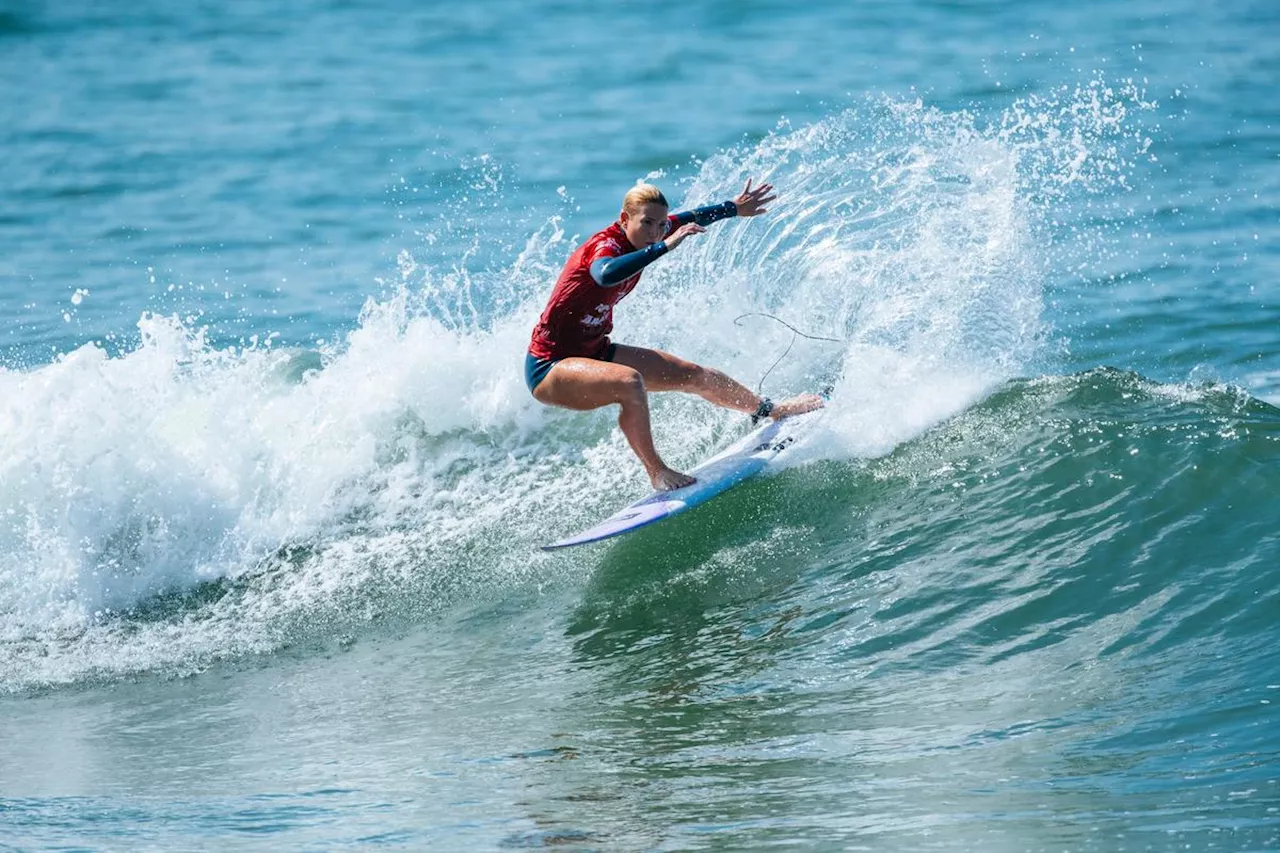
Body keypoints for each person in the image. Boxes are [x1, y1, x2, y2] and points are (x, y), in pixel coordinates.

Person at [526, 179, 825, 491]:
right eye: (647, 224)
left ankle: (772, 411)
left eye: (660, 226)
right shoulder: (606, 246)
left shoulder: (651, 233)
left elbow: (693, 216)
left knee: (696, 375)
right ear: (624, 219)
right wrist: (664, 246)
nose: (655, 232)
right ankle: (657, 472)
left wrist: (734, 208)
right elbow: (605, 274)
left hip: (595, 351)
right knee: (630, 382)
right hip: (550, 366)